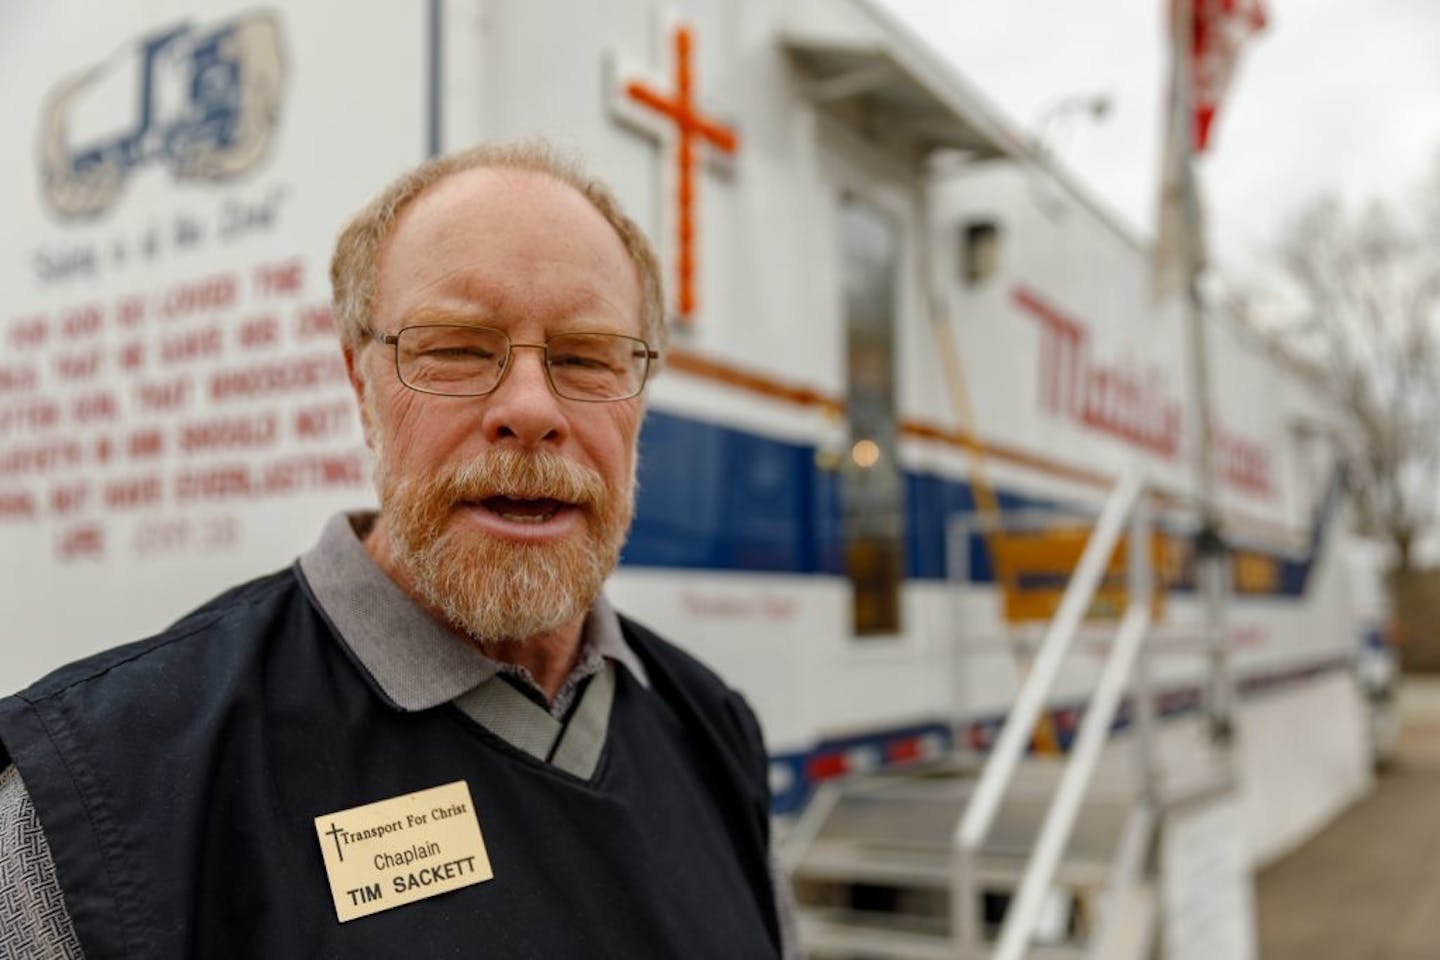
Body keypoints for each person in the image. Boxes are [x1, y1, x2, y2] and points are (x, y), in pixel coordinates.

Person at [0, 141, 795, 958]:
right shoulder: (98, 798)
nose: (529, 409)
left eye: (587, 358)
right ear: (360, 385)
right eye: (454, 348)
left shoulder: (714, 731)